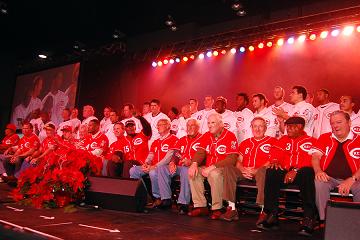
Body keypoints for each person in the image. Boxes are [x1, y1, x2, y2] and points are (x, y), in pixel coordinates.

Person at [257, 117, 317, 236]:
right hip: (285, 172)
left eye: (290, 126)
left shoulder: (311, 141)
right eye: (286, 126)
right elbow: (275, 153)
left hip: (302, 173)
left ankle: (308, 217)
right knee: (271, 171)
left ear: (299, 127)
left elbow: (314, 160)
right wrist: (274, 161)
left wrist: (296, 169)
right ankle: (272, 214)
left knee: (308, 172)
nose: (287, 129)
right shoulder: (283, 140)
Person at [221, 117, 277, 221]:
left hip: (260, 172)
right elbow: (238, 161)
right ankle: (232, 208)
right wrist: (243, 170)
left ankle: (263, 211)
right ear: (251, 128)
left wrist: (256, 170)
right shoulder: (245, 143)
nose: (257, 129)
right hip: (245, 172)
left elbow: (271, 161)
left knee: (264, 171)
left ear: (265, 128)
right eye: (255, 126)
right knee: (228, 168)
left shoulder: (272, 141)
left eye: (260, 126)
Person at [311, 111, 360, 224]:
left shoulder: (358, 139)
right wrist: (318, 171)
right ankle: (325, 221)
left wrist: (352, 179)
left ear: (349, 122)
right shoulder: (324, 137)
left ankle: (357, 223)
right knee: (319, 182)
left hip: (354, 179)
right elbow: (315, 157)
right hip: (330, 178)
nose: (335, 126)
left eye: (339, 122)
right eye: (332, 123)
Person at [187, 113, 238, 219]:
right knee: (193, 172)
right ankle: (201, 206)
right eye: (208, 123)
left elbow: (232, 159)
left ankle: (217, 208)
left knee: (214, 174)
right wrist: (194, 164)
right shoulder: (206, 135)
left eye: (213, 122)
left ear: (221, 124)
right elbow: (200, 152)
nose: (210, 125)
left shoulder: (230, 136)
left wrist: (213, 167)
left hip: (222, 168)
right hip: (208, 167)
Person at [157, 119, 202, 214]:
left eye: (192, 125)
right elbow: (176, 154)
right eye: (188, 126)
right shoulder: (182, 139)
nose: (189, 128)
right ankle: (166, 199)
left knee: (186, 170)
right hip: (180, 166)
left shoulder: (202, 138)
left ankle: (184, 203)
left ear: (198, 127)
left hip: (194, 167)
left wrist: (191, 162)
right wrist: (172, 162)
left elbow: (204, 156)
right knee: (162, 169)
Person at [129, 119, 178, 207]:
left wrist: (154, 166)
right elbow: (151, 155)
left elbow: (168, 158)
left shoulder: (174, 139)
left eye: (160, 125)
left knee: (153, 172)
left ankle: (158, 198)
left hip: (165, 168)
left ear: (168, 126)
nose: (158, 127)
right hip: (152, 166)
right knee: (133, 170)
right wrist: (146, 163)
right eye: (157, 125)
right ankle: (145, 197)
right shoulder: (156, 141)